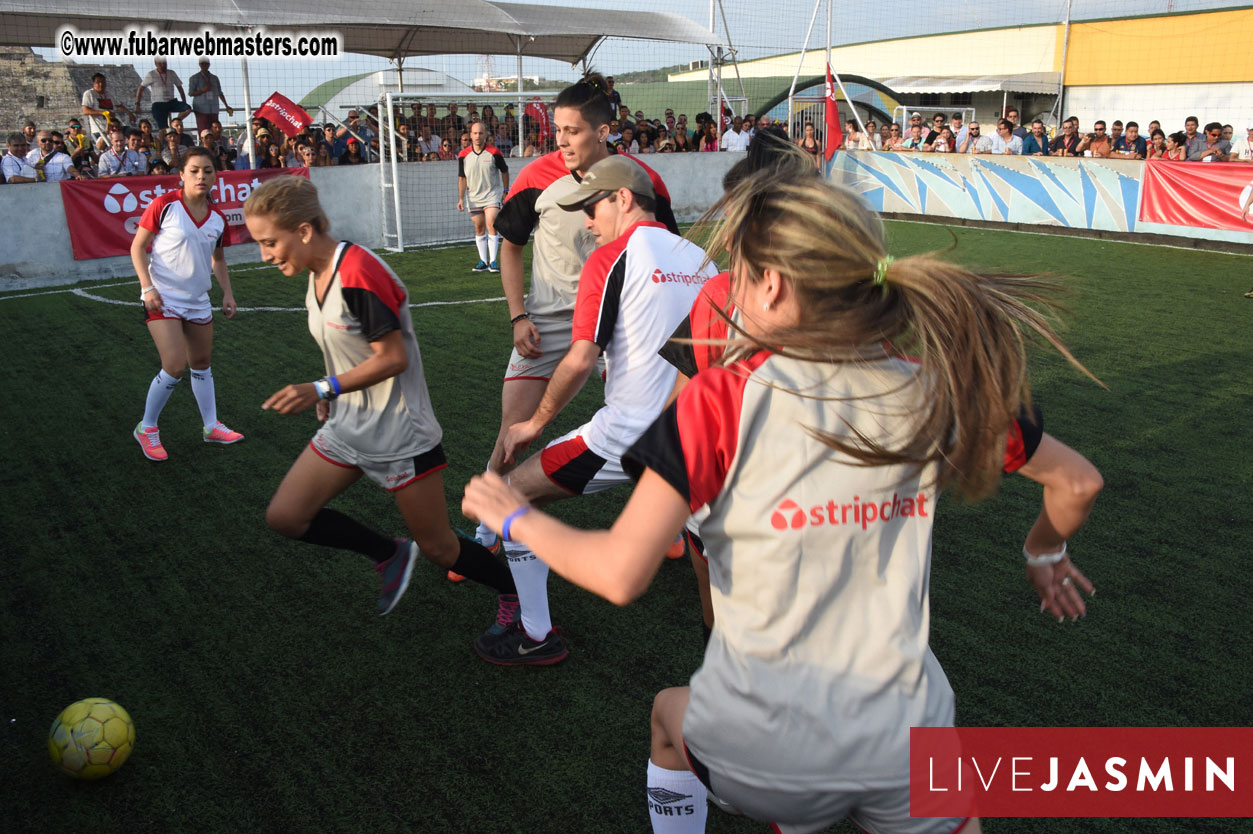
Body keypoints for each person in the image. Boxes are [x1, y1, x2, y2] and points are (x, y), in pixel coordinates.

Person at [463, 163, 1103, 834]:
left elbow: (620, 574)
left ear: (769, 285)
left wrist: (511, 514)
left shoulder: (721, 399)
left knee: (666, 719)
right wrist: (1042, 551)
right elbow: (1077, 482)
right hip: (905, 741)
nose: (726, 295)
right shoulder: (937, 390)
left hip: (768, 749)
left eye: (736, 276)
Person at [472, 155, 715, 665]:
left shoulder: (611, 258)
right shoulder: (700, 259)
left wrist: (535, 423)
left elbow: (581, 356)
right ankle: (732, 662)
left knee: (514, 495)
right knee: (715, 578)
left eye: (593, 207)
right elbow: (699, 363)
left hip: (626, 435)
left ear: (623, 199)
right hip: (695, 438)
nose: (587, 221)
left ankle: (534, 634)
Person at [240, 175, 518, 617]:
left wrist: (321, 386)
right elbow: (350, 344)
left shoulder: (357, 271)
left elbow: (392, 358)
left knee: (441, 549)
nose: (265, 254)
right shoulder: (316, 272)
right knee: (286, 517)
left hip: (400, 435)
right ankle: (388, 552)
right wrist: (332, 389)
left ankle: (517, 593)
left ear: (305, 230)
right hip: (349, 426)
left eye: (270, 242)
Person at [129, 146, 243, 462]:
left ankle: (211, 426)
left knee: (202, 364)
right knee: (175, 365)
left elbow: (218, 259)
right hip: (162, 298)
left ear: (216, 176)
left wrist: (228, 294)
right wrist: (147, 287)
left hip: (198, 301)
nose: (201, 176)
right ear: (181, 175)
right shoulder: (164, 205)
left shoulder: (218, 218)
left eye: (208, 170)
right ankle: (147, 427)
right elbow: (137, 248)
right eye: (194, 170)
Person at [458, 121, 511, 273]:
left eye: (480, 133)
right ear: (470, 135)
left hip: (491, 195)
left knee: (492, 223)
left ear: (485, 135)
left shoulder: (494, 152)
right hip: (473, 197)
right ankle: (483, 261)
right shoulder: (463, 155)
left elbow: (505, 171)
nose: (477, 136)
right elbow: (462, 178)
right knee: (479, 227)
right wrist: (461, 198)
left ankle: (493, 261)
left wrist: (505, 190)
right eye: (475, 133)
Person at [135, 59, 191, 130]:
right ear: (155, 63)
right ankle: (163, 139)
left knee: (187, 108)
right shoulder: (151, 74)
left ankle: (174, 122)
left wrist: (184, 101)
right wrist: (137, 104)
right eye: (160, 63)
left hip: (171, 101)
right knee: (163, 128)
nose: (162, 65)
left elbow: (180, 88)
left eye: (164, 63)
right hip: (159, 103)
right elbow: (140, 89)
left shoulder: (171, 73)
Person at [81, 73, 134, 148]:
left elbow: (119, 105)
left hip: (115, 127)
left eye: (103, 82)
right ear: (93, 83)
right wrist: (102, 112)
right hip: (100, 129)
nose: (101, 84)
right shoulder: (89, 94)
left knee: (132, 132)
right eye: (98, 82)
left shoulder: (108, 94)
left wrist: (129, 113)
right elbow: (85, 111)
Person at [188, 58, 233, 136]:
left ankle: (216, 146)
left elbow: (220, 93)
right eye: (202, 64)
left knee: (216, 130)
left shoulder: (214, 78)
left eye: (206, 64)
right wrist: (203, 90)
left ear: (209, 64)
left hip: (214, 108)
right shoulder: (194, 78)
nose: (204, 65)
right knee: (204, 131)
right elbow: (191, 93)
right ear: (199, 65)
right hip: (201, 109)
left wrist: (226, 105)